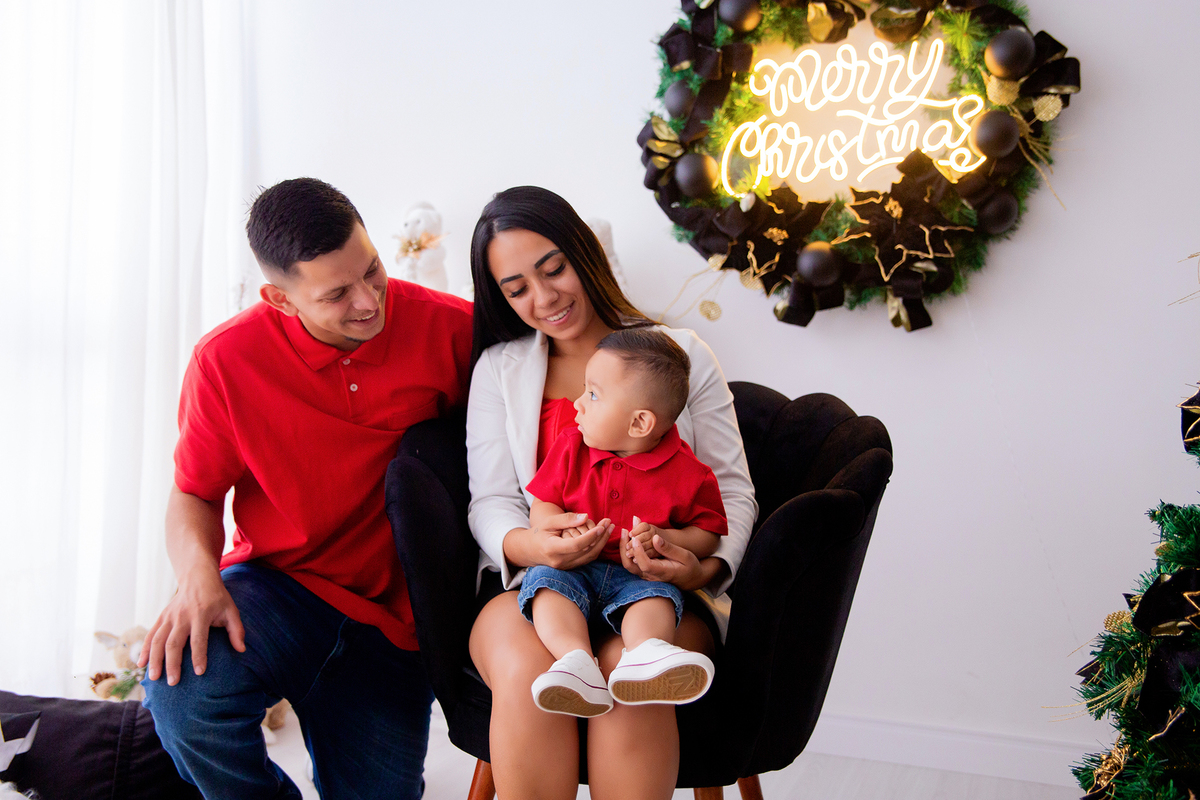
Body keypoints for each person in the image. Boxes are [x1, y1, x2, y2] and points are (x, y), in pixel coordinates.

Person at [138, 178, 473, 800]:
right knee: (180, 691)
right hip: (278, 589)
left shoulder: (452, 330)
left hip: (397, 620)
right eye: (337, 294)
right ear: (280, 299)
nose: (370, 301)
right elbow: (194, 493)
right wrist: (197, 577)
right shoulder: (224, 361)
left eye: (372, 271)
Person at [466, 185, 757, 800]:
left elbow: (732, 493)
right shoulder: (499, 370)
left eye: (554, 269)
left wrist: (698, 564)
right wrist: (532, 544)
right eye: (517, 288)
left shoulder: (678, 354)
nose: (544, 298)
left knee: (634, 676)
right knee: (526, 671)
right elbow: (491, 501)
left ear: (584, 254)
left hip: (659, 592)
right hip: (544, 586)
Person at [522, 328, 727, 717]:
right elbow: (543, 501)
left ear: (639, 424)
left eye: (593, 395)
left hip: (638, 576)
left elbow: (708, 534)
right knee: (546, 586)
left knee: (657, 600)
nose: (577, 403)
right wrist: (558, 526)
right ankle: (575, 660)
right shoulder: (572, 446)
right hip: (576, 568)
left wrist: (664, 541)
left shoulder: (689, 473)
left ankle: (646, 654)